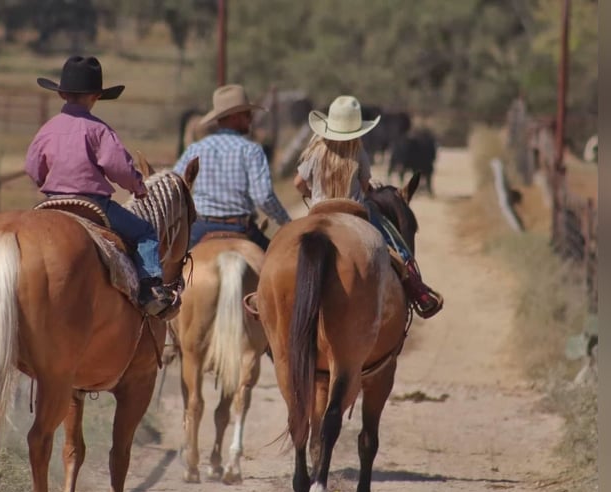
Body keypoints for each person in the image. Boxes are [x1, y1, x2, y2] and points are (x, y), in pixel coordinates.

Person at [25, 55, 175, 317]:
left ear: (62, 94)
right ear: (95, 96)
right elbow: (118, 167)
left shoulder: (47, 129)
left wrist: (47, 183)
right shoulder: (99, 130)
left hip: (52, 203)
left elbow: (32, 166)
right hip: (93, 205)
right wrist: (137, 187)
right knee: (145, 233)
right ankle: (151, 288)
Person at [294, 95, 442, 319]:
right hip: (353, 211)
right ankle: (415, 286)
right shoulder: (358, 152)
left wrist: (312, 193)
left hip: (319, 210)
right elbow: (364, 187)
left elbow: (298, 183)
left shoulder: (317, 150)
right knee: (393, 244)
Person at [173, 84, 292, 250]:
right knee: (277, 267)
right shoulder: (251, 150)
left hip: (200, 228)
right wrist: (286, 222)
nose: (251, 118)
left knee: (172, 272)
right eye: (247, 113)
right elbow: (263, 197)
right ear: (235, 116)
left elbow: (173, 185)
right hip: (241, 227)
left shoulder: (196, 148)